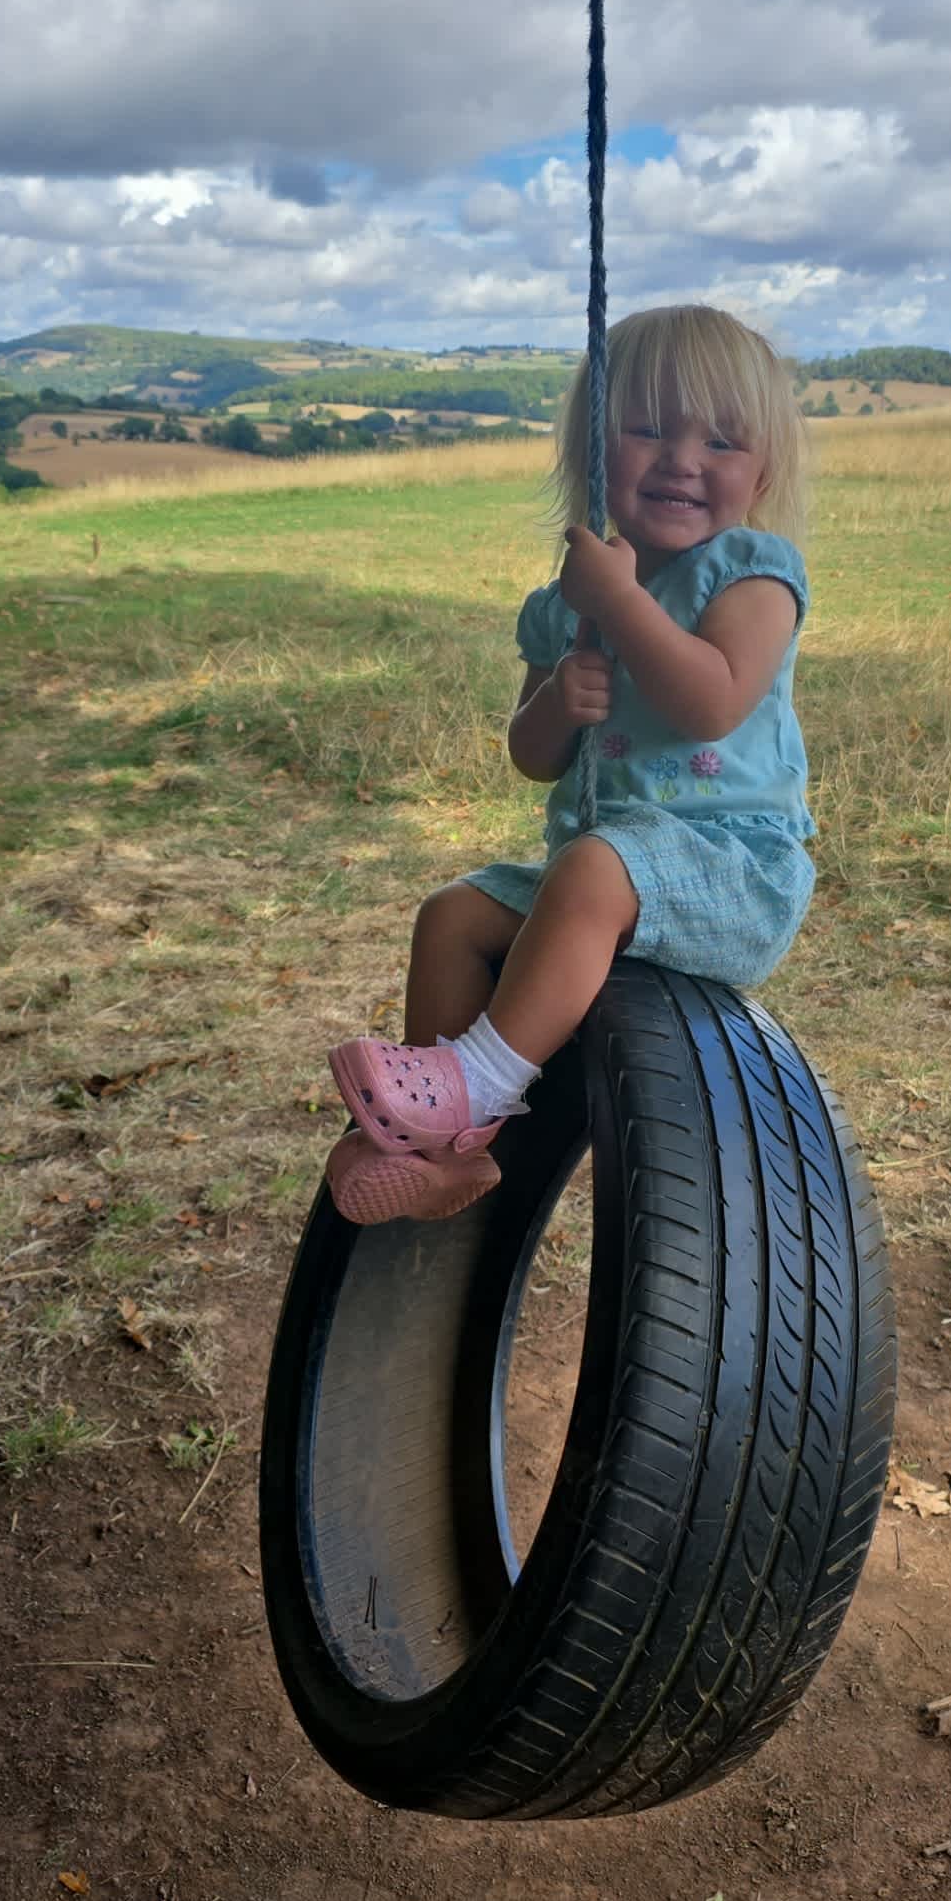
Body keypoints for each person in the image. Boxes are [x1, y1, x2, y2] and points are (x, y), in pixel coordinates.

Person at [325, 303, 816, 1223]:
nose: (682, 458)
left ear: (764, 471)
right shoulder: (562, 607)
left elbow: (709, 704)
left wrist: (622, 604)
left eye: (720, 438)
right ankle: (448, 1154)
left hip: (732, 873)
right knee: (453, 915)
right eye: (647, 429)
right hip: (598, 877)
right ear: (593, 452)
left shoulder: (752, 573)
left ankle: (477, 1081)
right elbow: (533, 755)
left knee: (596, 863)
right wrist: (557, 700)